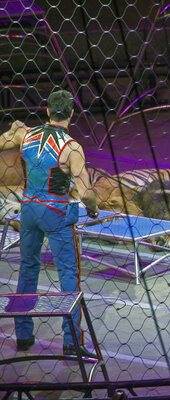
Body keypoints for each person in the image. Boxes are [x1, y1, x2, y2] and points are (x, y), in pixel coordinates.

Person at [0, 90, 100, 358]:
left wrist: (13, 129)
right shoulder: (71, 148)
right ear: (71, 113)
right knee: (68, 273)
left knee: (28, 268)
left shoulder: (26, 135)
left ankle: (23, 335)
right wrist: (93, 207)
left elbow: (3, 142)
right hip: (55, 213)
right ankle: (71, 341)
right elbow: (86, 192)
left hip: (29, 211)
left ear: (46, 111)